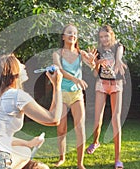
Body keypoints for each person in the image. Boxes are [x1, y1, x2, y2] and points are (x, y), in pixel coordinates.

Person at [0, 53, 63, 169]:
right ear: (12, 72)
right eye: (20, 64)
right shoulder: (16, 96)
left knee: (24, 150)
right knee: (25, 153)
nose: (24, 66)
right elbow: (54, 119)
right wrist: (57, 85)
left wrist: (28, 143)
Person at [52, 24, 96, 169]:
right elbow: (61, 70)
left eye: (75, 33)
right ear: (63, 36)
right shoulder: (57, 54)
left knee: (80, 128)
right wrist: (75, 79)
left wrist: (92, 62)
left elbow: (92, 66)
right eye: (69, 32)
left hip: (76, 94)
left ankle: (80, 163)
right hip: (62, 93)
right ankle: (61, 158)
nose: (73, 35)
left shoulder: (80, 53)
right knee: (61, 129)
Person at [86, 25, 127, 169]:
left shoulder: (118, 46)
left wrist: (118, 60)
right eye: (101, 37)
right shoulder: (98, 51)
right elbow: (95, 73)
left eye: (106, 36)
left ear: (111, 35)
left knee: (115, 120)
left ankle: (118, 159)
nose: (104, 39)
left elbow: (119, 53)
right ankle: (96, 142)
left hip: (116, 85)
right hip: (102, 84)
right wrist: (96, 62)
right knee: (98, 118)